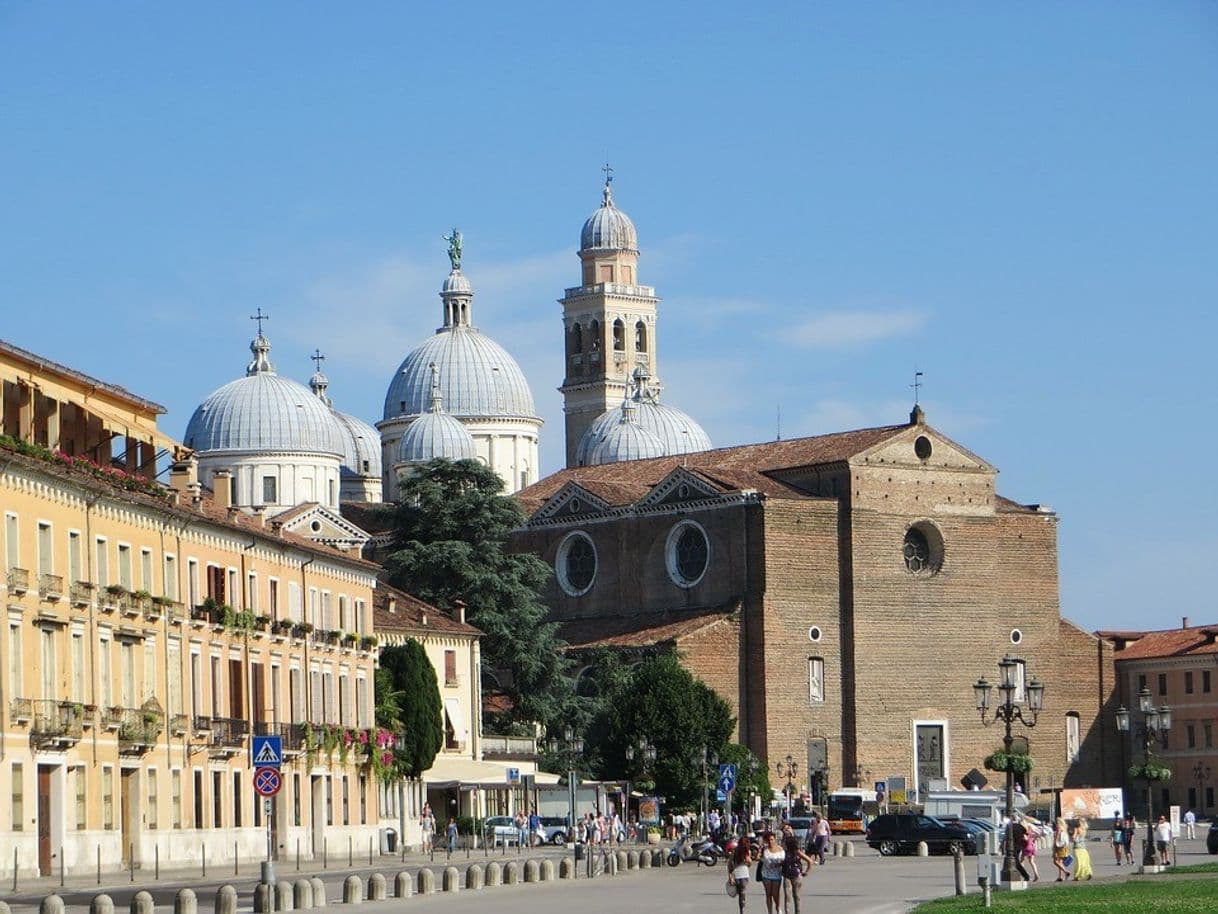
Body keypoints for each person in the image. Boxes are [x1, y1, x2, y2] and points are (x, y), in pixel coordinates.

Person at [780, 831, 814, 914]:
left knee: (796, 895)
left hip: (796, 875)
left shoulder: (797, 852)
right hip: (786, 875)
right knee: (787, 895)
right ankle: (787, 912)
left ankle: (797, 912)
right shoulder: (784, 853)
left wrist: (807, 872)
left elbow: (810, 861)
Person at [759, 832, 785, 914]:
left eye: (772, 839)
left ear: (775, 839)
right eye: (769, 840)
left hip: (777, 874)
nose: (770, 841)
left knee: (775, 894)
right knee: (768, 894)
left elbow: (784, 861)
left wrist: (779, 864)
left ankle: (778, 907)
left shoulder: (780, 849)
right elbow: (759, 858)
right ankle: (770, 911)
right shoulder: (765, 850)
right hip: (766, 875)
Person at [727, 836, 752, 914]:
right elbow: (749, 863)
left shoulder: (735, 852)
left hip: (737, 874)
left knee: (740, 893)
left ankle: (741, 908)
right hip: (743, 874)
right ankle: (742, 907)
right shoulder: (746, 852)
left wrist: (730, 876)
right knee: (742, 892)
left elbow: (729, 865)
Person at [1051, 817, 1071, 881]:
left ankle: (1066, 872)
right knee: (1060, 862)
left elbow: (1056, 838)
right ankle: (1060, 877)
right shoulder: (1064, 828)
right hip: (1064, 847)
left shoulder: (1058, 828)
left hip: (1058, 847)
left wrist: (1054, 847)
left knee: (1055, 861)